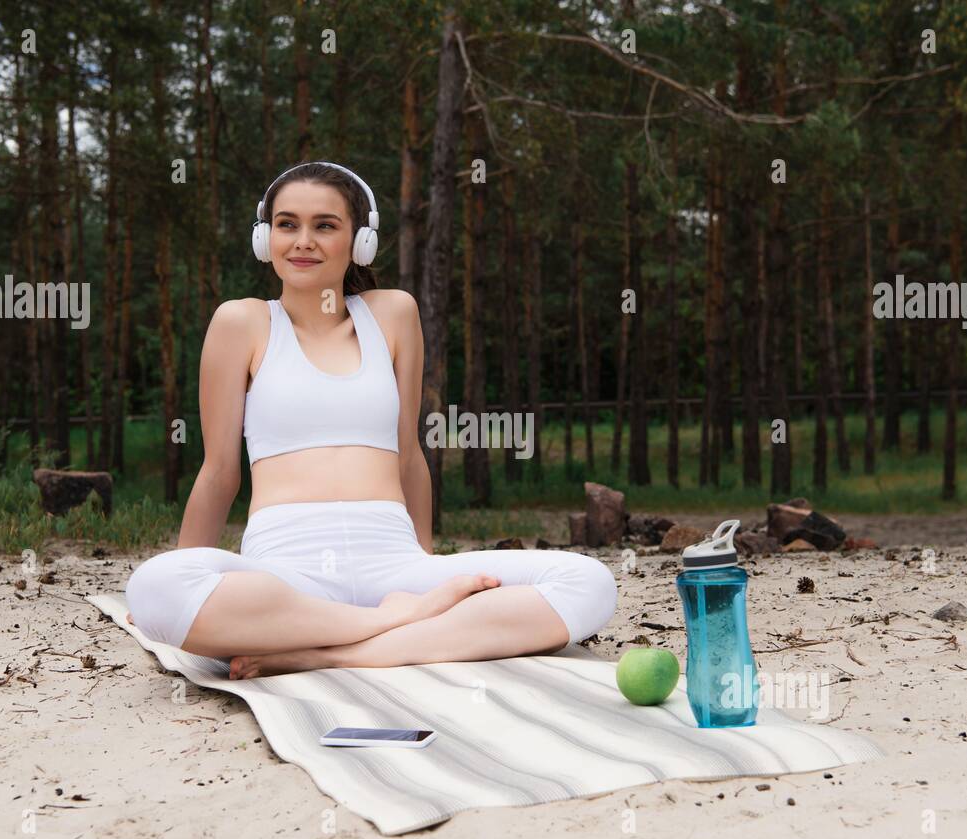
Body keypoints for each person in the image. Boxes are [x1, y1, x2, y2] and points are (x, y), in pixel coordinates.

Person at [124, 161, 618, 679]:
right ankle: (398, 629)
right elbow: (220, 470)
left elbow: (408, 455)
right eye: (287, 224)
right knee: (157, 587)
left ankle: (342, 649)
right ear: (264, 238)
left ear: (360, 241)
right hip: (288, 571)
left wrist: (422, 575)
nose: (303, 241)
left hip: (393, 563)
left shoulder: (393, 314)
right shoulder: (241, 322)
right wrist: (187, 582)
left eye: (325, 225)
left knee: (588, 582)